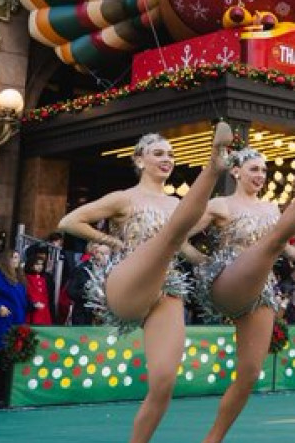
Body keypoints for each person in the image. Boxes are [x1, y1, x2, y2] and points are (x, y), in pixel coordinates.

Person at [58, 123, 231, 443]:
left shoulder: (175, 206)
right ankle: (213, 165)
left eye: (170, 154)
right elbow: (68, 221)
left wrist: (210, 265)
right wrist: (111, 241)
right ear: (140, 161)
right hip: (126, 284)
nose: (167, 159)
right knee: (171, 233)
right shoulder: (124, 198)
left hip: (165, 288)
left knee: (164, 382)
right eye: (158, 153)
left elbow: (181, 247)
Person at [196, 141, 295, 443]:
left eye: (264, 170)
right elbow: (178, 234)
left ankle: (212, 439)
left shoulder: (271, 208)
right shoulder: (220, 205)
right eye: (254, 169)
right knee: (276, 235)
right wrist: (201, 261)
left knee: (249, 373)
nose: (261, 175)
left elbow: (284, 247)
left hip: (261, 290)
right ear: (235, 171)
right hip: (227, 282)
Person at [68, 244, 111, 326]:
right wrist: (87, 292)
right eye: (98, 252)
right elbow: (71, 291)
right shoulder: (83, 269)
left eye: (104, 254)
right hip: (83, 316)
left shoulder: (113, 272)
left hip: (104, 320)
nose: (100, 256)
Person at [24, 252, 53, 325]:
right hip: (33, 309)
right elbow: (28, 293)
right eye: (37, 264)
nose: (40, 266)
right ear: (31, 265)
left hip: (43, 310)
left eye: (41, 264)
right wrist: (34, 304)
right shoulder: (27, 278)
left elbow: (45, 295)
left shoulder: (43, 279)